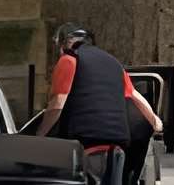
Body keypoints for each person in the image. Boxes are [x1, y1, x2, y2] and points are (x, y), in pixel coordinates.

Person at [31, 26, 162, 185]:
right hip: (118, 146)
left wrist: (38, 138)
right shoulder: (114, 64)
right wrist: (156, 122)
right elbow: (135, 96)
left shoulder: (69, 60)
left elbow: (58, 104)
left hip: (86, 145)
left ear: (65, 44)